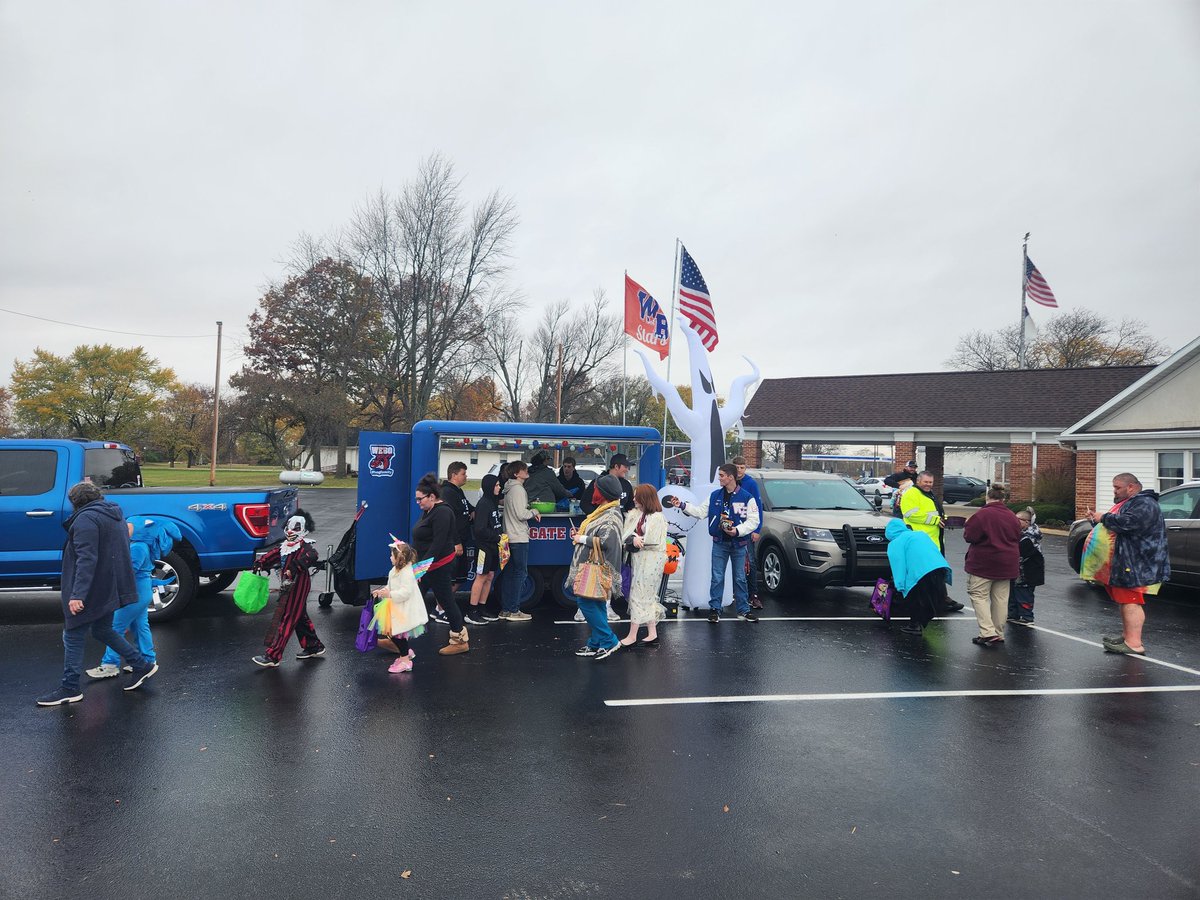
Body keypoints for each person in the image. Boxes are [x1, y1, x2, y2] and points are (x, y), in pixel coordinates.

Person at [37, 482, 158, 706]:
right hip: (109, 585)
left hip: (91, 588)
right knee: (103, 630)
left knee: (72, 634)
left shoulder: (85, 520)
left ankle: (70, 687)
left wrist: (77, 595)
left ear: (74, 503)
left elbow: (86, 559)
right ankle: (141, 664)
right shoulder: (114, 515)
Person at [1086, 473, 1170, 655]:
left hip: (1137, 561)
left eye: (1117, 487)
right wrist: (1096, 521)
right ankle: (1127, 637)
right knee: (1125, 600)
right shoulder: (1134, 503)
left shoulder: (1144, 503)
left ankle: (1134, 643)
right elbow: (1117, 528)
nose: (1114, 490)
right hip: (1129, 560)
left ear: (1131, 487)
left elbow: (1128, 523)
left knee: (1131, 600)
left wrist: (1104, 517)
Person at [87, 516, 180, 680]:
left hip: (134, 594)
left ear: (142, 531)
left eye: (129, 527)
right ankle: (147, 659)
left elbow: (126, 572)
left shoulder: (137, 547)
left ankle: (110, 665)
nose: (125, 529)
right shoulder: (143, 546)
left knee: (115, 627)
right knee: (140, 626)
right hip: (142, 592)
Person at [669, 464, 760, 623]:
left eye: (722, 475)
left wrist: (737, 531)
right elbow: (699, 512)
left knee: (740, 578)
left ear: (731, 477)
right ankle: (715, 609)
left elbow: (754, 521)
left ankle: (743, 610)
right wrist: (682, 505)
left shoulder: (746, 497)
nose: (719, 478)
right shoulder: (715, 496)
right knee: (717, 577)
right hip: (719, 543)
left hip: (739, 544)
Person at [251, 514, 326, 667]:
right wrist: (261, 563)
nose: (291, 531)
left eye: (296, 528)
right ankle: (314, 646)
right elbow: (273, 555)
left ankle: (273, 655)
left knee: (288, 617)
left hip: (298, 585)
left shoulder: (305, 546)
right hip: (288, 585)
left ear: (303, 530)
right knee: (300, 617)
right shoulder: (285, 546)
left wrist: (294, 567)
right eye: (289, 528)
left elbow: (312, 556)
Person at [568, 474, 626, 660]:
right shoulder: (603, 510)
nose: (593, 492)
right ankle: (596, 643)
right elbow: (598, 534)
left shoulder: (611, 514)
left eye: (596, 489)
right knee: (597, 603)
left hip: (596, 567)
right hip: (592, 565)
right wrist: (581, 533)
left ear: (604, 493)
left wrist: (581, 538)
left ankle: (609, 641)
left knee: (585, 602)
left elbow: (606, 541)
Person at [412, 473, 471, 655]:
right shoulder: (429, 510)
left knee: (446, 601)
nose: (418, 502)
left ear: (431, 497)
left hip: (438, 567)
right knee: (410, 599)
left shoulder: (443, 512)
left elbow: (438, 544)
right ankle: (396, 639)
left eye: (420, 499)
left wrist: (420, 569)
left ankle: (460, 641)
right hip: (427, 566)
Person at [963, 484, 1022, 647]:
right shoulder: (1012, 516)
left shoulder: (982, 515)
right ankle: (998, 632)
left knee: (979, 595)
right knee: (1001, 599)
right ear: (1003, 499)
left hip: (984, 563)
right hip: (1007, 563)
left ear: (987, 498)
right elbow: (1017, 535)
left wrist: (968, 524)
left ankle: (987, 632)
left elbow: (970, 536)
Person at [899, 471, 966, 612]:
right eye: (926, 482)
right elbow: (910, 515)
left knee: (936, 571)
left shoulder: (928, 494)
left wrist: (944, 518)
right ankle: (938, 601)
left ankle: (940, 600)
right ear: (918, 481)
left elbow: (934, 512)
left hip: (933, 540)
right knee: (928, 573)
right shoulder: (911, 494)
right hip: (921, 541)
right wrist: (936, 520)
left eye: (930, 482)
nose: (928, 485)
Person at [619, 484, 668, 646]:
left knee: (639, 595)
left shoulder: (657, 517)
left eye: (636, 496)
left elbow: (653, 541)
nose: (633, 499)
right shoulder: (636, 514)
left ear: (645, 498)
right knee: (645, 595)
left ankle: (632, 635)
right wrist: (632, 539)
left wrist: (634, 540)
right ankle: (652, 633)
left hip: (652, 561)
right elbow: (626, 535)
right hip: (638, 559)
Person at [884, 519, 952, 635]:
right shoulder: (920, 534)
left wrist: (899, 585)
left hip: (921, 572)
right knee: (932, 596)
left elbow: (898, 565)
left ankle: (915, 625)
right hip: (939, 567)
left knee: (914, 597)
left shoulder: (895, 543)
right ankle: (923, 620)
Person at [370, 539, 428, 674]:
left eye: (392, 555)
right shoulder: (394, 570)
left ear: (399, 558)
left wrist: (389, 594)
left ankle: (405, 661)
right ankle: (406, 653)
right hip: (395, 607)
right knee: (394, 634)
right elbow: (390, 586)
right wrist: (382, 591)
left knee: (398, 635)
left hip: (404, 610)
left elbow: (406, 593)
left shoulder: (406, 573)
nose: (390, 557)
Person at [500, 461, 540, 622]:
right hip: (518, 537)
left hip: (508, 536)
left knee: (509, 574)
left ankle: (506, 609)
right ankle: (514, 610)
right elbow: (521, 514)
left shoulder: (509, 489)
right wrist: (534, 510)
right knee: (520, 573)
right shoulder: (518, 489)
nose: (526, 471)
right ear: (517, 474)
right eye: (523, 469)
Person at [434, 461, 474, 623]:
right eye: (463, 473)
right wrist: (456, 542)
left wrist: (472, 511)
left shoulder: (458, 492)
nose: (466, 476)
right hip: (451, 544)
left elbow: (469, 508)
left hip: (462, 541)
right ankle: (440, 610)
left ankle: (440, 608)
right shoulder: (447, 493)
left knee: (459, 578)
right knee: (449, 580)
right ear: (454, 475)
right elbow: (448, 520)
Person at [466, 473, 503, 626]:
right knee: (481, 576)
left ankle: (482, 607)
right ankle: (471, 611)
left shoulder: (492, 502)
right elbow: (480, 529)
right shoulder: (483, 504)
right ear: (489, 486)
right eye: (496, 485)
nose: (499, 487)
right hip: (484, 548)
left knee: (490, 576)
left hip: (493, 547)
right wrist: (497, 537)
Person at [732, 455, 764, 609]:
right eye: (736, 467)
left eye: (742, 468)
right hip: (731, 529)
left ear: (745, 468)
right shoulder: (728, 482)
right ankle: (733, 594)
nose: (739, 471)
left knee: (749, 562)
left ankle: (754, 595)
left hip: (747, 529)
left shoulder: (750, 484)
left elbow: (757, 507)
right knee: (731, 561)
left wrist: (757, 529)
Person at [1007, 507, 1044, 625]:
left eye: (1018, 520)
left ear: (1027, 522)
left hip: (1028, 572)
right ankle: (1013, 614)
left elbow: (1021, 552)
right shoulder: (1021, 534)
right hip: (1017, 571)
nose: (1015, 521)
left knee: (1024, 593)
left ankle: (1027, 616)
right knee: (1013, 592)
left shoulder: (1030, 536)